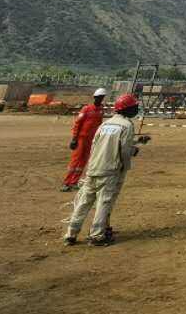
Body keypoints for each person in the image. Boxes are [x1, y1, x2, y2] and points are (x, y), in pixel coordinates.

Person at [64, 92, 150, 245]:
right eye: (134, 107)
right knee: (104, 203)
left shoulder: (105, 124)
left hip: (94, 168)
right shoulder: (127, 125)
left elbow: (95, 145)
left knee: (84, 202)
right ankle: (97, 235)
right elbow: (124, 150)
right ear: (127, 109)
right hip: (110, 170)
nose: (136, 109)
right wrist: (126, 163)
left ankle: (71, 233)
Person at [62, 88, 107, 191]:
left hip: (91, 140)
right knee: (75, 160)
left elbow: (99, 125)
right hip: (81, 139)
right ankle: (66, 183)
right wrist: (74, 139)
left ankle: (74, 182)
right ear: (94, 97)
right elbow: (77, 124)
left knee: (83, 161)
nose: (100, 99)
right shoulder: (86, 109)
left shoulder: (101, 110)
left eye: (102, 97)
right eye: (99, 97)